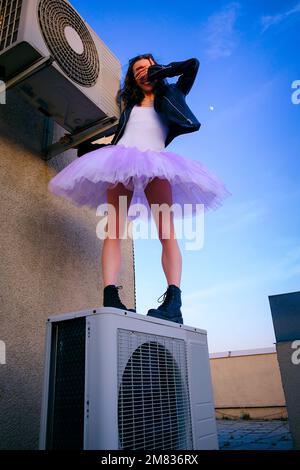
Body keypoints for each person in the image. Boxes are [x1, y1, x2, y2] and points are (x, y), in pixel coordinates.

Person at [48, 53, 231, 324]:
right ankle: (110, 295)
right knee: (114, 230)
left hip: (157, 164)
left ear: (157, 69)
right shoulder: (128, 105)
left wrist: (162, 71)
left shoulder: (172, 95)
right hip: (122, 162)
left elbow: (192, 65)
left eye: (148, 68)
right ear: (132, 79)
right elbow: (123, 141)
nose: (143, 73)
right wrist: (84, 147)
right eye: (138, 71)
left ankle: (173, 302)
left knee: (166, 232)